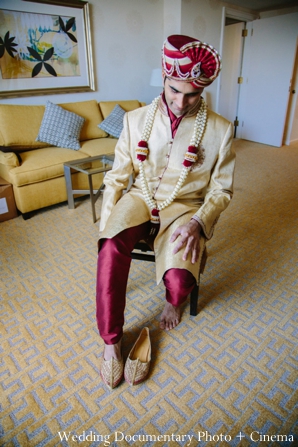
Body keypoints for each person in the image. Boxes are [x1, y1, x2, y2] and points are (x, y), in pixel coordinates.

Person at [96, 35, 236, 388]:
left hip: (184, 207)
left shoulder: (220, 130)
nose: (180, 101)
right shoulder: (134, 120)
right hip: (140, 197)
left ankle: (174, 303)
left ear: (202, 92)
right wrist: (106, 223)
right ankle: (111, 343)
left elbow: (222, 190)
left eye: (191, 94)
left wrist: (198, 223)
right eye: (174, 90)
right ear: (164, 79)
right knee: (111, 248)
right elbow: (116, 177)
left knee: (179, 279)